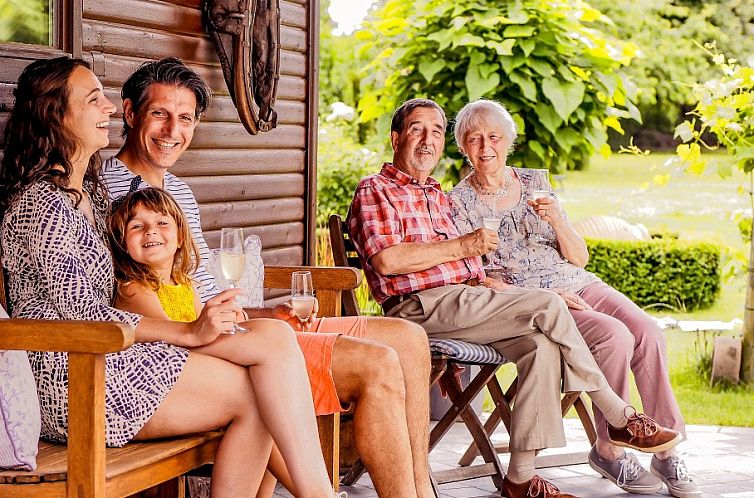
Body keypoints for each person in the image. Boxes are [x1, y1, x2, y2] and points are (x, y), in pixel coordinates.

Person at [0, 57, 340, 498]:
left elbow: (138, 277)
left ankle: (320, 494)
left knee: (274, 338)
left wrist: (198, 320)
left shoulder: (95, 192)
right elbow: (86, 316)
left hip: (118, 355)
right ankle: (321, 494)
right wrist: (188, 332)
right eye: (93, 99)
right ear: (56, 116)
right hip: (74, 374)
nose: (107, 107)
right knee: (258, 392)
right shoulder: (40, 206)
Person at [100, 57, 434, 498]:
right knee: (377, 362)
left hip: (231, 327)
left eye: (185, 118)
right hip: (198, 351)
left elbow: (197, 288)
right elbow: (143, 302)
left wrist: (264, 310)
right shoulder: (109, 194)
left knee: (408, 337)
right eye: (160, 113)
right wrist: (244, 326)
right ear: (129, 113)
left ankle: (421, 491)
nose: (172, 130)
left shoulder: (177, 191)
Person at [347, 97, 684, 498]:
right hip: (422, 306)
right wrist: (464, 249)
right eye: (417, 130)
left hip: (468, 301)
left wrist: (482, 270)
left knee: (540, 346)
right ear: (395, 137)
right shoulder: (376, 189)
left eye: (436, 132)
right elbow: (387, 260)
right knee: (548, 304)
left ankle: (519, 480)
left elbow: (481, 266)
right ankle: (616, 414)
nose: (427, 141)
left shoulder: (436, 195)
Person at [447, 99, 699, 498]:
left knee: (648, 332)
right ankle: (610, 450)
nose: (485, 147)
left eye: (493, 136)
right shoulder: (457, 203)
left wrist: (558, 221)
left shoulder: (535, 183)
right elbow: (479, 280)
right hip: (535, 302)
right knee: (613, 336)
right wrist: (547, 296)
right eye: (474, 139)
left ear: (508, 141)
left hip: (578, 281)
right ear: (463, 146)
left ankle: (666, 453)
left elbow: (579, 257)